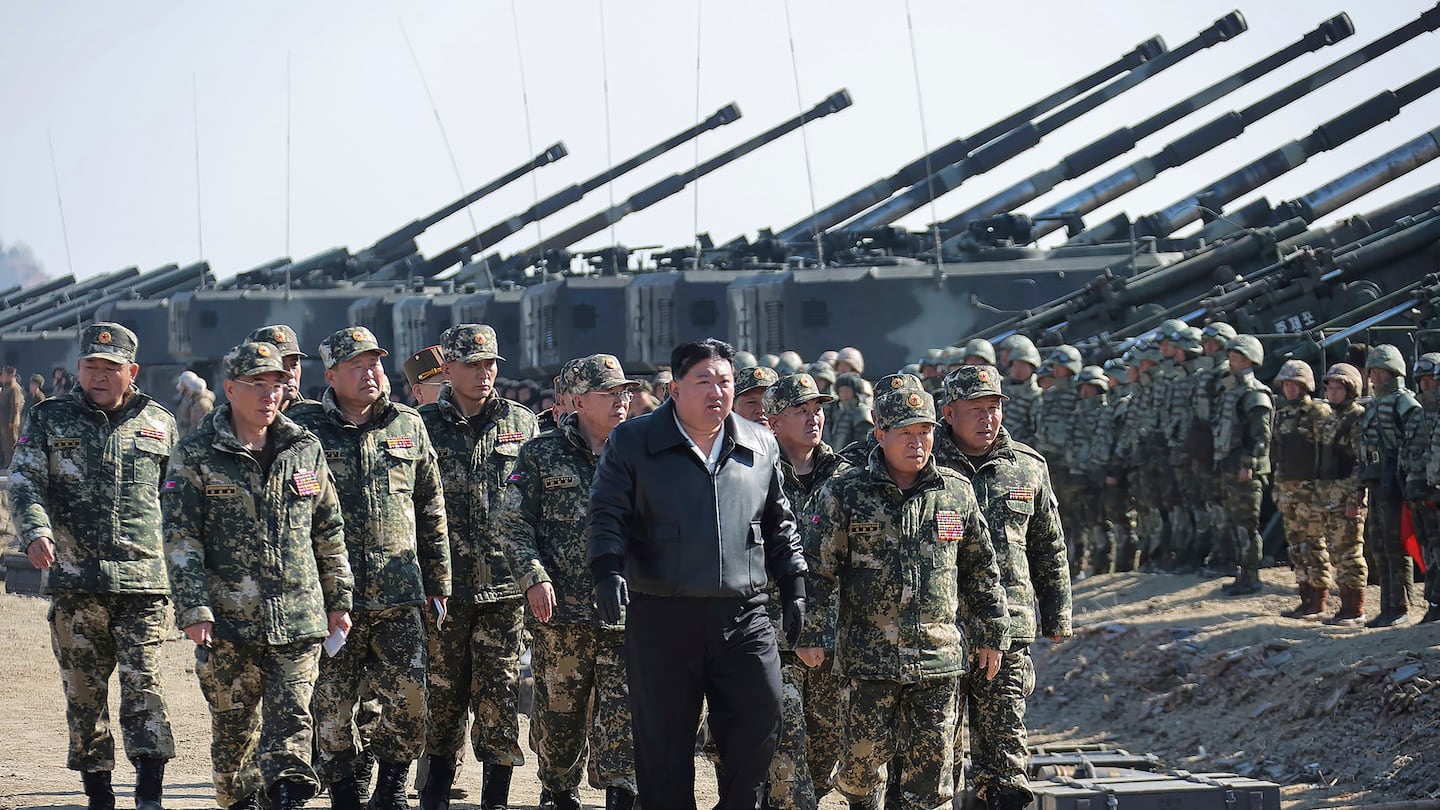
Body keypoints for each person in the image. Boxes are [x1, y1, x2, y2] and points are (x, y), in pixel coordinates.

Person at [586, 338, 807, 810]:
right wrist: (606, 570)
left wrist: (794, 586)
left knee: (759, 719)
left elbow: (779, 522)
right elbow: (606, 513)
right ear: (673, 389)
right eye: (703, 381)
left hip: (744, 615)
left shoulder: (759, 442)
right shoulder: (635, 441)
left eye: (725, 382)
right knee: (663, 745)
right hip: (664, 617)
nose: (717, 392)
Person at [162, 341, 353, 810]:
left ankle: (287, 799)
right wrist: (193, 607)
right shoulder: (197, 454)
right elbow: (181, 537)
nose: (271, 394)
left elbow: (328, 529)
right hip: (228, 622)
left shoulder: (304, 448)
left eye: (276, 384)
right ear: (229, 389)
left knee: (291, 724)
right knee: (235, 736)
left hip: (298, 618)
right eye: (257, 385)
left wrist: (339, 600)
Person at [797, 386, 1008, 810]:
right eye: (905, 433)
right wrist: (811, 633)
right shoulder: (846, 493)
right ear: (880, 433)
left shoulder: (956, 491)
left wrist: (992, 633)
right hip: (867, 659)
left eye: (925, 432)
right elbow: (817, 571)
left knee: (930, 782)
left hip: (937, 659)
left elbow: (981, 571)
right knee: (859, 774)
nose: (917, 443)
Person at [10, 323, 177, 810]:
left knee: (144, 686)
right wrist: (36, 531)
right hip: (76, 583)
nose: (98, 376)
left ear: (132, 372)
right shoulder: (49, 419)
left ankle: (149, 794)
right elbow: (24, 481)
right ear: (78, 368)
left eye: (110, 368)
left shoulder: (161, 424)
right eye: (90, 367)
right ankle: (99, 796)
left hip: (143, 584)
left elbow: (181, 502)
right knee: (84, 696)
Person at [286, 328, 451, 810]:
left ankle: (392, 789)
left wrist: (438, 581)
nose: (370, 372)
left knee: (409, 701)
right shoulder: (303, 427)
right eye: (356, 366)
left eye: (375, 363)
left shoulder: (407, 424)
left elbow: (431, 506)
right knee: (332, 709)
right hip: (333, 598)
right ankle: (345, 790)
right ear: (331, 375)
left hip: (399, 595)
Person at [498, 354, 642, 810]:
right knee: (560, 719)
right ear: (578, 401)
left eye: (624, 392)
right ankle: (559, 792)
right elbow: (514, 524)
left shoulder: (642, 453)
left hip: (629, 612)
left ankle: (622, 793)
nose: (620, 401)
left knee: (625, 713)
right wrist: (533, 578)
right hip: (562, 617)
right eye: (608, 394)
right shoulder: (541, 454)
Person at [934, 365, 1071, 810]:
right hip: (940, 629)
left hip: (1008, 629)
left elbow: (1048, 546)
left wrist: (1057, 615)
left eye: (993, 408)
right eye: (975, 409)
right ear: (949, 413)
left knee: (1005, 753)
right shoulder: (923, 463)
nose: (987, 419)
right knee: (936, 751)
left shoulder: (1027, 468)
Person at [418, 324, 538, 810]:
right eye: (472, 364)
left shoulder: (523, 424)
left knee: (500, 700)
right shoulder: (420, 425)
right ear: (447, 370)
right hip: (442, 590)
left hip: (505, 591)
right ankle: (435, 796)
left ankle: (496, 801)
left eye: (491, 363)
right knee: (441, 700)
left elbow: (534, 505)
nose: (484, 372)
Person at [762, 373, 849, 807]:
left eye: (818, 409)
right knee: (786, 743)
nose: (814, 418)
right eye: (801, 410)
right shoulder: (754, 474)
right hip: (773, 637)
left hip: (836, 639)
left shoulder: (847, 477)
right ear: (772, 421)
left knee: (825, 752)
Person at [1361, 344, 1421, 626]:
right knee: (1379, 544)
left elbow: (1414, 443)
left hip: (1396, 482)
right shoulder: (1373, 405)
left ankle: (1401, 605)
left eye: (1380, 371)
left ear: (1394, 372)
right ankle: (1387, 604)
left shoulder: (1404, 403)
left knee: (1397, 545)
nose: (1374, 377)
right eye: (1372, 371)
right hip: (1377, 481)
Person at [1270, 360, 1332, 620]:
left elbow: (1327, 453)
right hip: (1288, 491)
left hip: (1311, 491)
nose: (1290, 390)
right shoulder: (1283, 415)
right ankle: (1305, 597)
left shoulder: (1318, 412)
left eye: (1294, 384)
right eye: (1286, 384)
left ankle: (1318, 601)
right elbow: (1277, 455)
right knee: (1295, 546)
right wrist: (1277, 489)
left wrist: (1322, 489)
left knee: (1314, 545)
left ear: (1305, 385)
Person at [1214, 335, 1274, 596]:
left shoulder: (1254, 393)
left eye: (1236, 358)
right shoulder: (1231, 389)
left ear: (1250, 360)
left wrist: (1248, 465)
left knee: (1246, 526)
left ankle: (1252, 577)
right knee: (1234, 522)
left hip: (1245, 471)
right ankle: (1242, 574)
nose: (1231, 362)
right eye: (1230, 357)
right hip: (1229, 465)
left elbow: (1261, 437)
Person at [248, 324, 313, 412]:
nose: (291, 374)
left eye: (294, 365)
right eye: (281, 366)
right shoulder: (240, 420)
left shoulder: (318, 416)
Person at [175, 370, 216, 436]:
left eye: (182, 385)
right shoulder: (187, 400)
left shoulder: (202, 404)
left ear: (187, 387)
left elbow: (201, 428)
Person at [0, 364, 23, 466]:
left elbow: (15, 405)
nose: (2, 376)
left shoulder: (14, 388)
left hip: (10, 423)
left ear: (10, 375)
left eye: (4, 374)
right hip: (4, 421)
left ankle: (14, 465)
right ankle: (8, 464)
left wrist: (12, 421)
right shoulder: (6, 387)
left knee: (12, 445)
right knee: (6, 446)